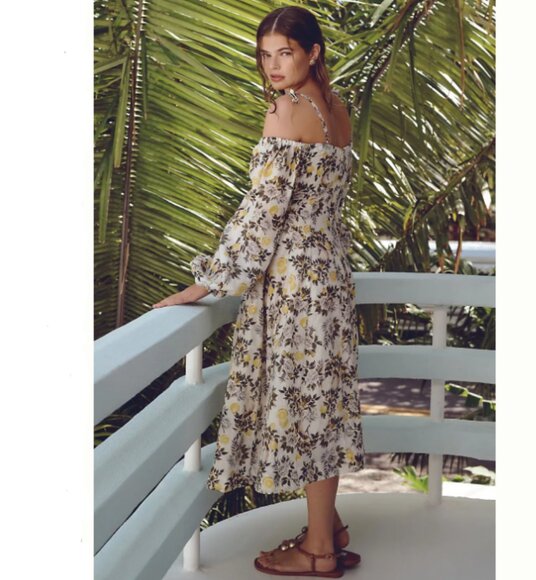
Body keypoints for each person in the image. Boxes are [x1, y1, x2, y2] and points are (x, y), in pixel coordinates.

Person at [153, 6, 365, 578]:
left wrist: (209, 281)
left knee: (306, 407)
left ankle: (318, 553)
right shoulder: (335, 109)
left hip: (294, 285)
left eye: (285, 53)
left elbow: (261, 214)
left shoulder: (286, 110)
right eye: (266, 55)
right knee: (322, 405)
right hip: (330, 277)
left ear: (312, 52)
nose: (273, 66)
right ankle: (329, 528)